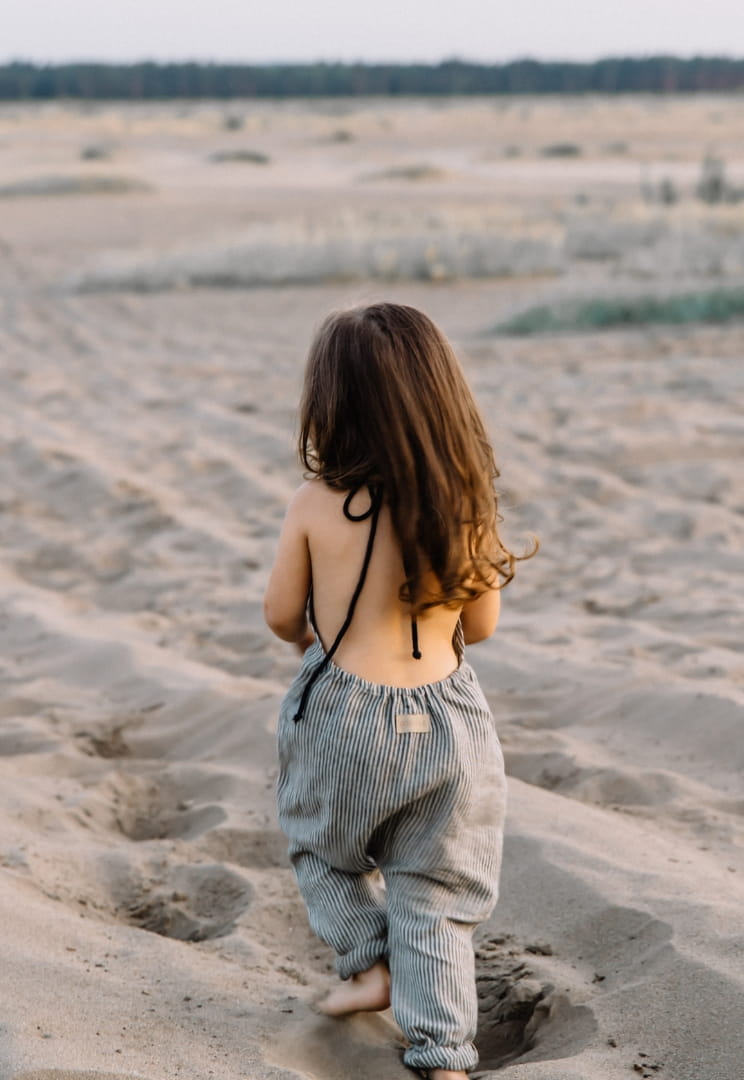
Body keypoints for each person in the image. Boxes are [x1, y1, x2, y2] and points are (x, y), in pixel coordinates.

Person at [263, 302, 533, 1079]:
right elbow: (479, 625)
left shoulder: (318, 504)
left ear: (331, 405)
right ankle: (445, 1058)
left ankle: (369, 961)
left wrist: (307, 635)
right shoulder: (466, 501)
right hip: (451, 723)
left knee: (320, 843)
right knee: (437, 891)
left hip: (347, 714)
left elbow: (283, 615)